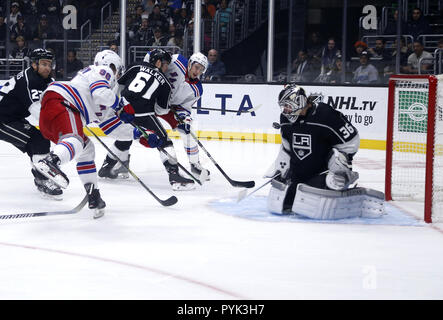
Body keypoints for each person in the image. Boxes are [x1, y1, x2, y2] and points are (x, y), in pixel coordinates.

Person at [34, 50, 142, 218]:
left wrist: (138, 134)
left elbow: (111, 127)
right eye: (118, 71)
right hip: (63, 103)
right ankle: (52, 161)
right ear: (113, 65)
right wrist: (120, 105)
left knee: (87, 149)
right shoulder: (102, 71)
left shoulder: (106, 94)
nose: (118, 75)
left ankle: (93, 195)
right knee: (76, 140)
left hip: (55, 113)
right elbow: (100, 93)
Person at [265, 84, 382, 220]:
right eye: (283, 106)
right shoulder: (285, 119)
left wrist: (342, 166)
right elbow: (286, 146)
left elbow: (352, 141)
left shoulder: (326, 115)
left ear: (300, 102)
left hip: (322, 172)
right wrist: (281, 168)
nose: (285, 110)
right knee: (285, 205)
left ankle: (342, 181)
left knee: (309, 204)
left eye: (288, 105)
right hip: (299, 173)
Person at [98, 49, 194, 190]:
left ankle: (108, 165)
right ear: (159, 62)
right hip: (144, 114)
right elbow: (162, 110)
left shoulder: (135, 66)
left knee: (126, 136)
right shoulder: (166, 83)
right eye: (166, 64)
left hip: (123, 108)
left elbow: (119, 84)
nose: (167, 68)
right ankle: (175, 177)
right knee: (165, 141)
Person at [0, 48, 62, 199]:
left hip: (14, 119)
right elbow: (37, 110)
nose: (47, 67)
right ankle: (43, 179)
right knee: (38, 138)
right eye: (43, 64)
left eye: (49, 64)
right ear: (34, 65)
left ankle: (40, 176)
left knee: (36, 143)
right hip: (3, 120)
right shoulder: (28, 80)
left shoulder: (48, 81)